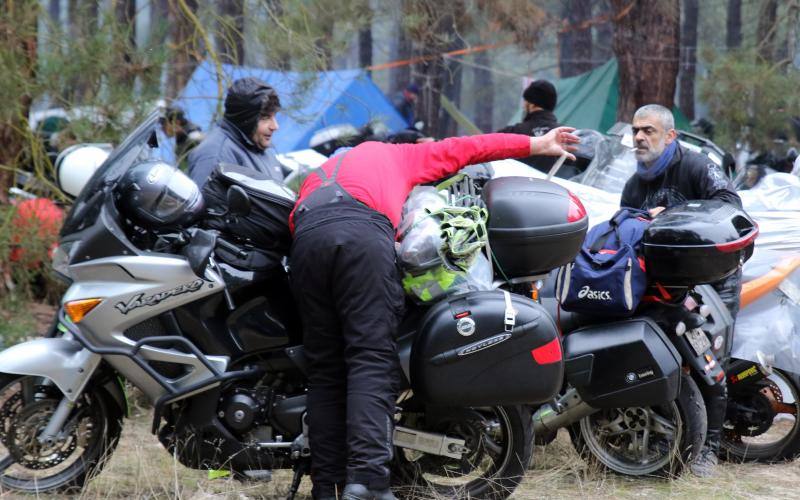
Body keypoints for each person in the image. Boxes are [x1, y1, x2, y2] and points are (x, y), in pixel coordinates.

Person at [288, 128, 579, 500]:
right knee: (370, 360)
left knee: (326, 371)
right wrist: (536, 144)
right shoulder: (395, 155)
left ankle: (326, 488)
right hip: (362, 236)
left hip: (307, 242)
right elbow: (464, 149)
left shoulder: (322, 171)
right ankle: (369, 484)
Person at [620, 104, 742, 478]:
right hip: (664, 288)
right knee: (660, 360)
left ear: (670, 135)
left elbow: (730, 206)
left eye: (649, 131)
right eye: (636, 130)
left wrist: (673, 217)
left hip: (712, 282)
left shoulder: (696, 166)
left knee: (708, 365)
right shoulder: (635, 183)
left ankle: (710, 448)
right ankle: (667, 437)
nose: (639, 137)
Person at [187, 77, 285, 188]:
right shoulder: (215, 156)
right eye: (265, 118)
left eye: (274, 116)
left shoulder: (261, 148)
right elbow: (208, 203)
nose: (275, 126)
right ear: (245, 119)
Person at [498, 79, 561, 173]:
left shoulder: (510, 133)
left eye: (525, 102)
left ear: (531, 105)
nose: (523, 106)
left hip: (516, 186)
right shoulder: (568, 137)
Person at [160, 106, 203, 170]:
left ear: (176, 122)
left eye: (164, 124)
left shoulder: (194, 139)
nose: (162, 129)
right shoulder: (182, 141)